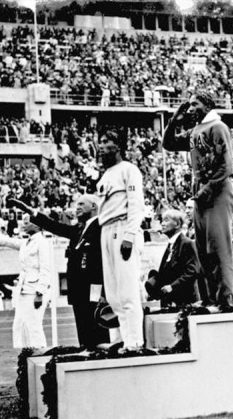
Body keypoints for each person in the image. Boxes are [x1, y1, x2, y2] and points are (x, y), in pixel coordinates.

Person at [162, 93, 233, 308]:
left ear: (207, 106)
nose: (190, 108)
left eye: (195, 104)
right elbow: (169, 144)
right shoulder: (195, 130)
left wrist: (206, 190)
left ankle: (225, 299)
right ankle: (210, 297)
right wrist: (174, 120)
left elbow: (226, 165)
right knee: (203, 250)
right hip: (201, 193)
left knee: (218, 247)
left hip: (217, 191)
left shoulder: (217, 127)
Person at [7, 195, 110, 349]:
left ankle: (104, 365)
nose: (77, 207)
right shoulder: (79, 228)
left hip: (94, 289)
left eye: (82, 204)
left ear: (94, 206)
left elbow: (104, 262)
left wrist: (102, 293)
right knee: (84, 336)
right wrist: (31, 212)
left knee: (98, 334)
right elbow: (54, 226)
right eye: (76, 204)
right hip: (78, 291)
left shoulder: (102, 227)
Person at [96, 130, 145, 350]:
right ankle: (124, 339)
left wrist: (130, 235)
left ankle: (135, 341)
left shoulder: (129, 170)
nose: (101, 145)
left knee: (127, 291)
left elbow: (136, 204)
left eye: (106, 141)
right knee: (114, 294)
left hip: (122, 227)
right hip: (106, 229)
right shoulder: (105, 175)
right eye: (101, 141)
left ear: (118, 146)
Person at [0, 215, 54, 349]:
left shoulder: (42, 242)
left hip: (35, 290)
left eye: (27, 221)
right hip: (24, 289)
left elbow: (46, 269)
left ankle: (41, 354)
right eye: (23, 221)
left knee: (34, 324)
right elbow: (7, 241)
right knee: (19, 324)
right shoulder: (26, 242)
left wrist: (40, 293)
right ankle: (24, 353)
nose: (24, 223)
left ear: (37, 225)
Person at [144, 209, 201, 308]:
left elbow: (192, 271)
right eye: (162, 221)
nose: (162, 224)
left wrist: (172, 286)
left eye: (166, 220)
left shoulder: (187, 243)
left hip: (185, 302)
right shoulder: (170, 245)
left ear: (177, 224)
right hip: (170, 302)